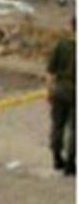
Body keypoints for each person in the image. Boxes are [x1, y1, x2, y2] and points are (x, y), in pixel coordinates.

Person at [47, 17, 76, 176]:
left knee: (57, 125)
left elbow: (51, 71)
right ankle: (71, 162)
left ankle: (56, 155)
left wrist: (50, 90)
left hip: (60, 88)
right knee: (75, 129)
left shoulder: (61, 45)